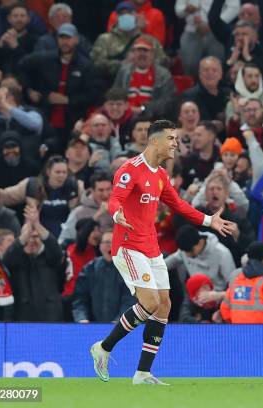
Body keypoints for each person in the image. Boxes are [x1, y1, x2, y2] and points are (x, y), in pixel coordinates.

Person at [89, 120, 236, 385]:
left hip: (151, 246)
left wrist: (208, 221)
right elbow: (115, 199)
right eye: (171, 138)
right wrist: (117, 213)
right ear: (154, 140)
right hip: (128, 246)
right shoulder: (130, 169)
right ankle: (104, 347)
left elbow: (178, 204)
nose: (175, 143)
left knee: (164, 305)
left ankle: (142, 373)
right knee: (150, 302)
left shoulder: (160, 175)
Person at [3, 204, 64, 321]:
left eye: (36, 237)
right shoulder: (17, 259)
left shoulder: (50, 257)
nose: (31, 241)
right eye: (28, 238)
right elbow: (7, 259)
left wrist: (37, 225)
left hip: (50, 316)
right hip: (24, 315)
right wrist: (25, 234)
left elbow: (57, 252)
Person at [72, 230, 134, 323]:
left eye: (114, 242)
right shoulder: (89, 269)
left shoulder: (127, 270)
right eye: (107, 242)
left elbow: (129, 301)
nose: (110, 246)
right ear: (100, 246)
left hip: (120, 327)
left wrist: (119, 322)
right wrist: (82, 319)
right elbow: (80, 299)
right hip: (92, 326)